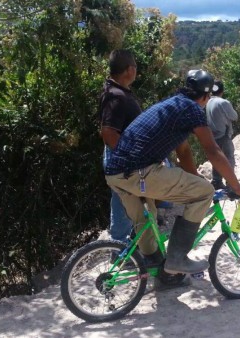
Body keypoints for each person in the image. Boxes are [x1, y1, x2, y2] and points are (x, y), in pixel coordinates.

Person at [105, 69, 240, 275]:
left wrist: (194, 176)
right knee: (204, 193)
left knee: (146, 217)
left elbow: (183, 150)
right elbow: (212, 150)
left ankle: (158, 268)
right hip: (139, 171)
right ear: (205, 96)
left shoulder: (173, 104)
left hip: (115, 173)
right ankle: (177, 258)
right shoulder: (192, 110)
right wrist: (237, 188)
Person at [98, 49, 141, 242]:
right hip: (120, 159)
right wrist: (127, 158)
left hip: (122, 156)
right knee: (122, 203)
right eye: (135, 67)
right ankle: (120, 251)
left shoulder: (117, 92)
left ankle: (129, 247)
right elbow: (108, 132)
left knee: (126, 202)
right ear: (129, 70)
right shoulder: (116, 96)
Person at [205, 80, 238, 190]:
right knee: (229, 159)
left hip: (212, 135)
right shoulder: (223, 102)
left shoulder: (208, 102)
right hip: (224, 135)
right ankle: (231, 184)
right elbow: (234, 116)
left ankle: (216, 181)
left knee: (217, 159)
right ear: (222, 90)